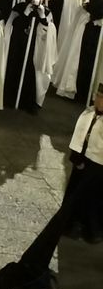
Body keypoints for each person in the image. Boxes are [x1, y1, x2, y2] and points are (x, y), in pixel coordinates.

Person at [63, 82, 103, 243]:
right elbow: (81, 137)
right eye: (98, 97)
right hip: (85, 163)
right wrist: (77, 157)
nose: (98, 101)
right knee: (77, 194)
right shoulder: (89, 116)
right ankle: (71, 223)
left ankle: (92, 228)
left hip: (99, 165)